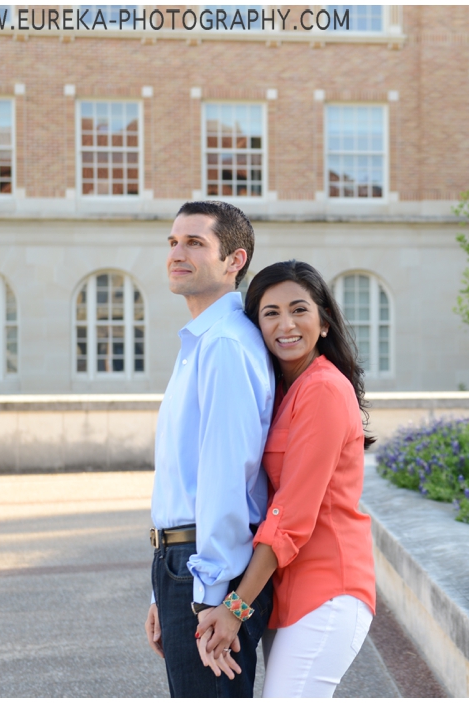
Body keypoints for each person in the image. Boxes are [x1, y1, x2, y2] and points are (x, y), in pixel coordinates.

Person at [194, 260, 377, 698]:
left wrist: (235, 607)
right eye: (270, 313)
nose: (286, 324)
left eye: (299, 310)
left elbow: (289, 514)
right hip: (287, 594)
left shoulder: (324, 390)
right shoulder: (281, 390)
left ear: (325, 323)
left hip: (328, 591)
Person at [145, 201, 276, 697]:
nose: (177, 253)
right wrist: (159, 592)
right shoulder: (201, 342)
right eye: (173, 242)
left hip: (205, 571)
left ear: (234, 260)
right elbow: (180, 477)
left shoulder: (223, 344)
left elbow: (226, 478)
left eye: (195, 243)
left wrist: (211, 599)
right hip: (183, 567)